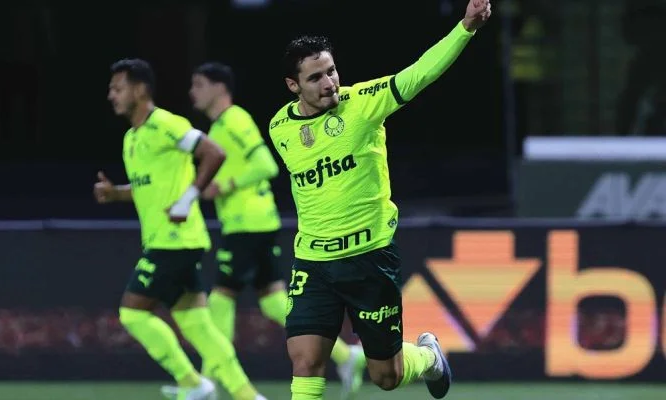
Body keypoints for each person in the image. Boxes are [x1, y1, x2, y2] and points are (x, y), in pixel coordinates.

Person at [266, 1, 492, 399]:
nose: (329, 83)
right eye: (315, 77)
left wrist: (466, 28)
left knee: (386, 376)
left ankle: (429, 358)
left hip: (368, 258)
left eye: (331, 71)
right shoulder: (279, 126)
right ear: (293, 86)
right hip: (313, 261)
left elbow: (420, 73)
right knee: (305, 360)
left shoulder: (364, 103)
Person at [186, 62, 368, 398]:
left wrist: (225, 185)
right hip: (253, 223)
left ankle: (208, 380)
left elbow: (266, 165)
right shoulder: (220, 126)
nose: (192, 92)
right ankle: (347, 357)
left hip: (249, 225)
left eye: (198, 84)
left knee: (221, 298)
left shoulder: (234, 119)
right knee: (272, 302)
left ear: (219, 88)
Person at [95, 58, 266, 400]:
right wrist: (116, 193)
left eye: (118, 88)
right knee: (197, 325)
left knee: (132, 313)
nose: (111, 95)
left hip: (174, 241)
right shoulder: (132, 138)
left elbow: (213, 153)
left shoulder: (165, 123)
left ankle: (193, 383)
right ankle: (248, 396)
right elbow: (147, 188)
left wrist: (188, 200)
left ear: (139, 90)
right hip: (168, 241)